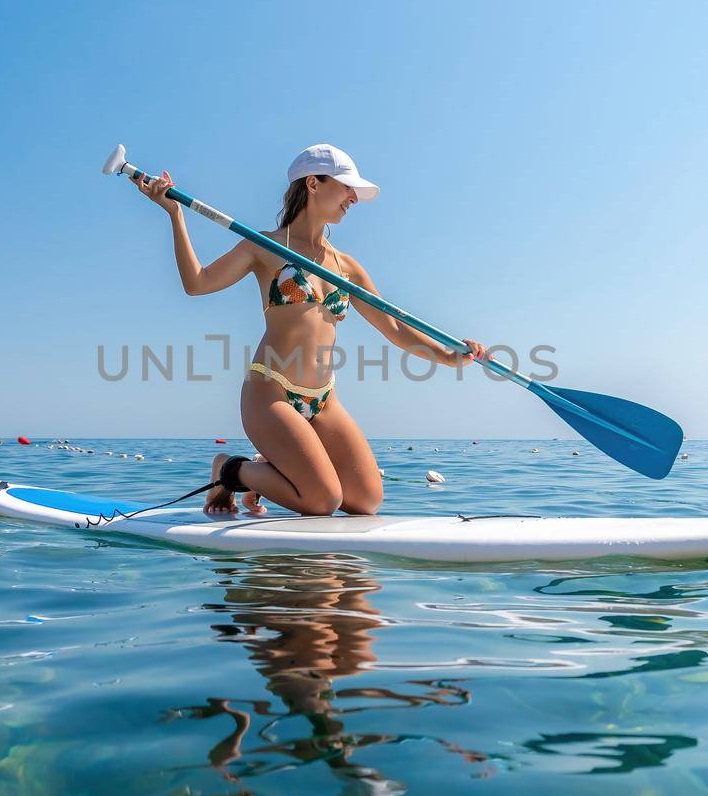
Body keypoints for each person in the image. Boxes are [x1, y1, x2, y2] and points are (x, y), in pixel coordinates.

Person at [135, 143, 484, 517]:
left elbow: (395, 326)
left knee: (366, 500)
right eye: (346, 187)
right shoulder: (264, 246)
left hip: (323, 399)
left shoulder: (346, 266)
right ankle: (231, 470)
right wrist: (175, 215)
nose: (353, 198)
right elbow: (197, 283)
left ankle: (275, 470)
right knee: (322, 501)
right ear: (313, 183)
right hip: (271, 392)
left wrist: (449, 357)